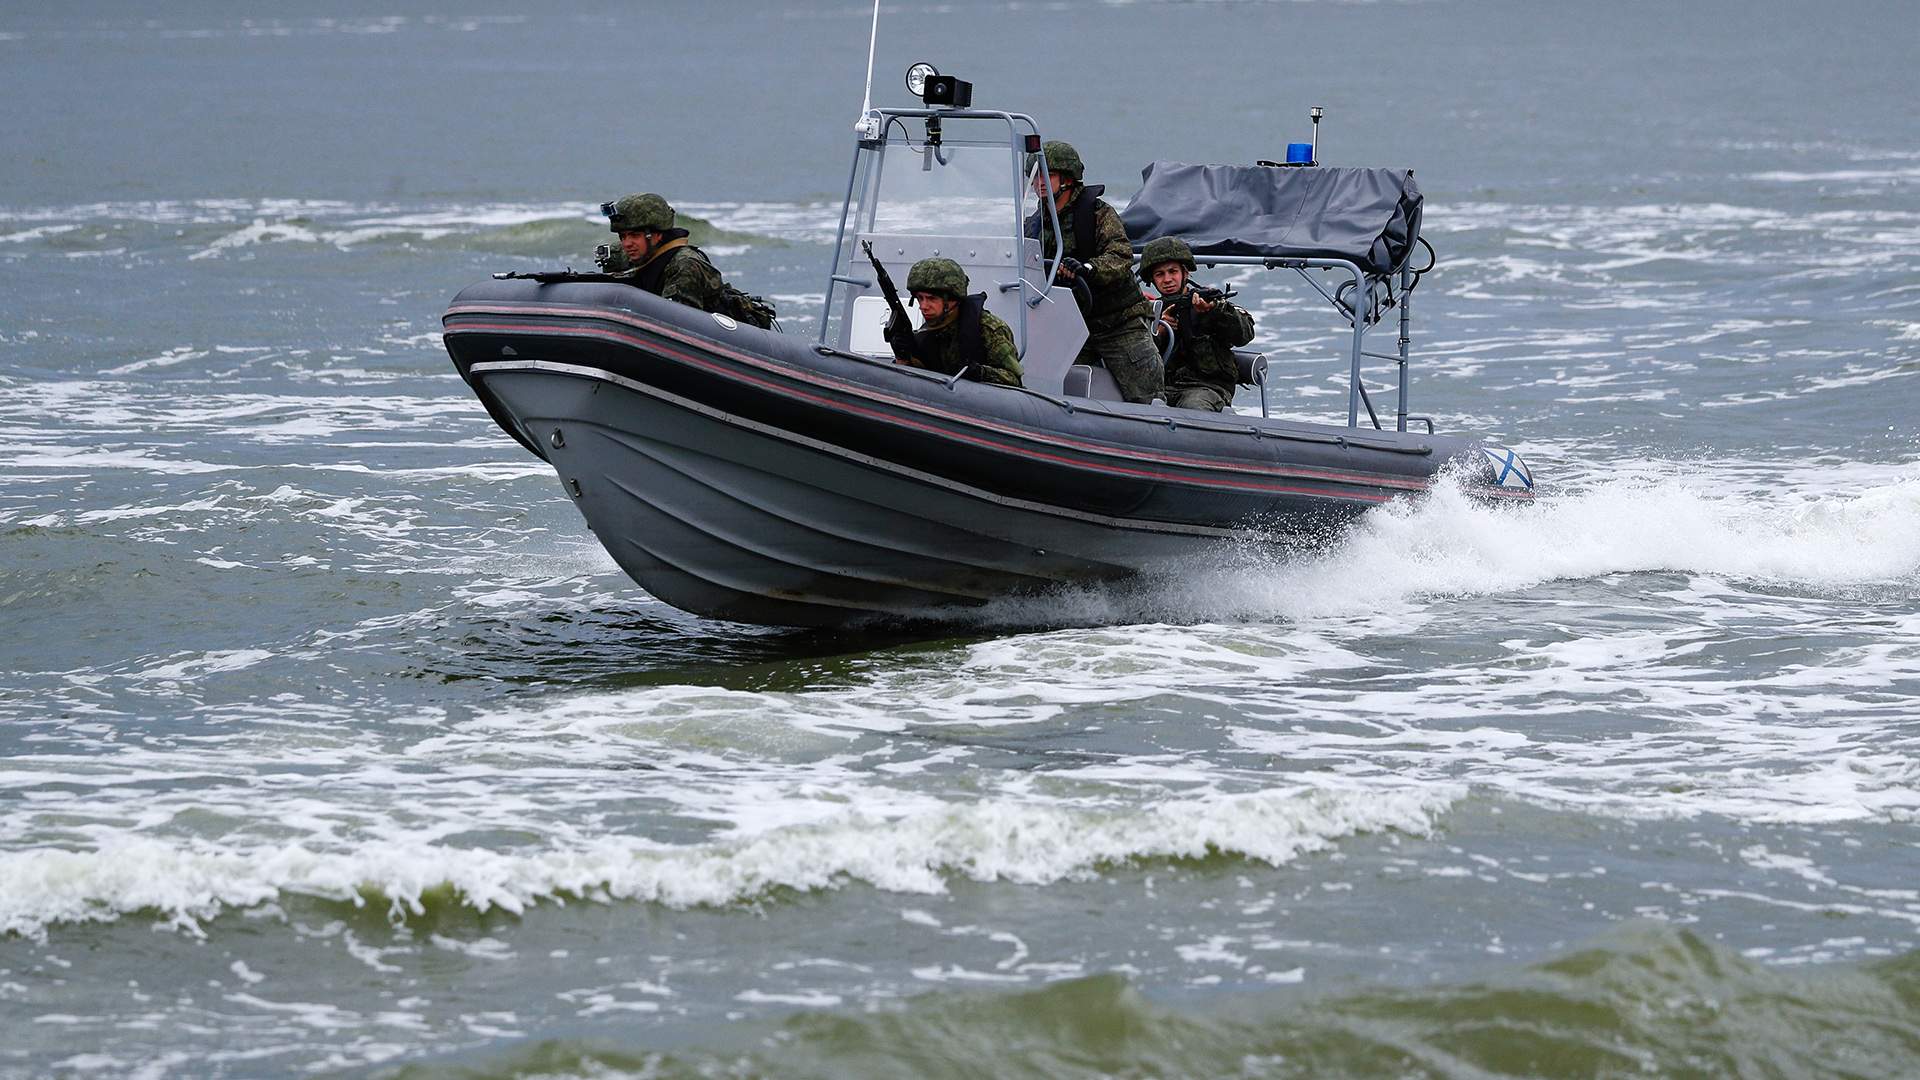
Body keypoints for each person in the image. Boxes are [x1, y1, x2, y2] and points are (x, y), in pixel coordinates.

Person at [1026, 141, 1161, 404]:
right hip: (1071, 325)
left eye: (1047, 175)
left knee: (1147, 395)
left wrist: (1088, 268)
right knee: (1049, 389)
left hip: (1117, 322)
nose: (1039, 182)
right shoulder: (1034, 225)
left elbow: (1120, 255)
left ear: (1067, 179)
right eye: (1035, 176)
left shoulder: (1098, 214)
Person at [1140, 237, 1255, 413]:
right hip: (1162, 387)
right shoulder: (1149, 311)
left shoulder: (1210, 301)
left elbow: (1244, 334)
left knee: (1193, 407)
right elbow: (1136, 354)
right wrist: (1158, 330)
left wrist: (1214, 312)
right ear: (1152, 280)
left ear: (1185, 273)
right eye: (1160, 274)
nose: (1167, 279)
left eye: (1173, 271)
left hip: (1206, 387)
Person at [883, 258, 1024, 388]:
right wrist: (903, 357)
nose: (923, 306)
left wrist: (980, 372)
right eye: (920, 298)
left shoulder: (989, 329)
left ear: (952, 299)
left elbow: (1013, 379)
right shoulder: (927, 333)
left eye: (931, 299)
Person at [601, 192, 723, 312]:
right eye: (622, 236)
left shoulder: (684, 264)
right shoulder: (626, 256)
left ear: (657, 234)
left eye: (635, 235)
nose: (627, 244)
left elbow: (679, 317)